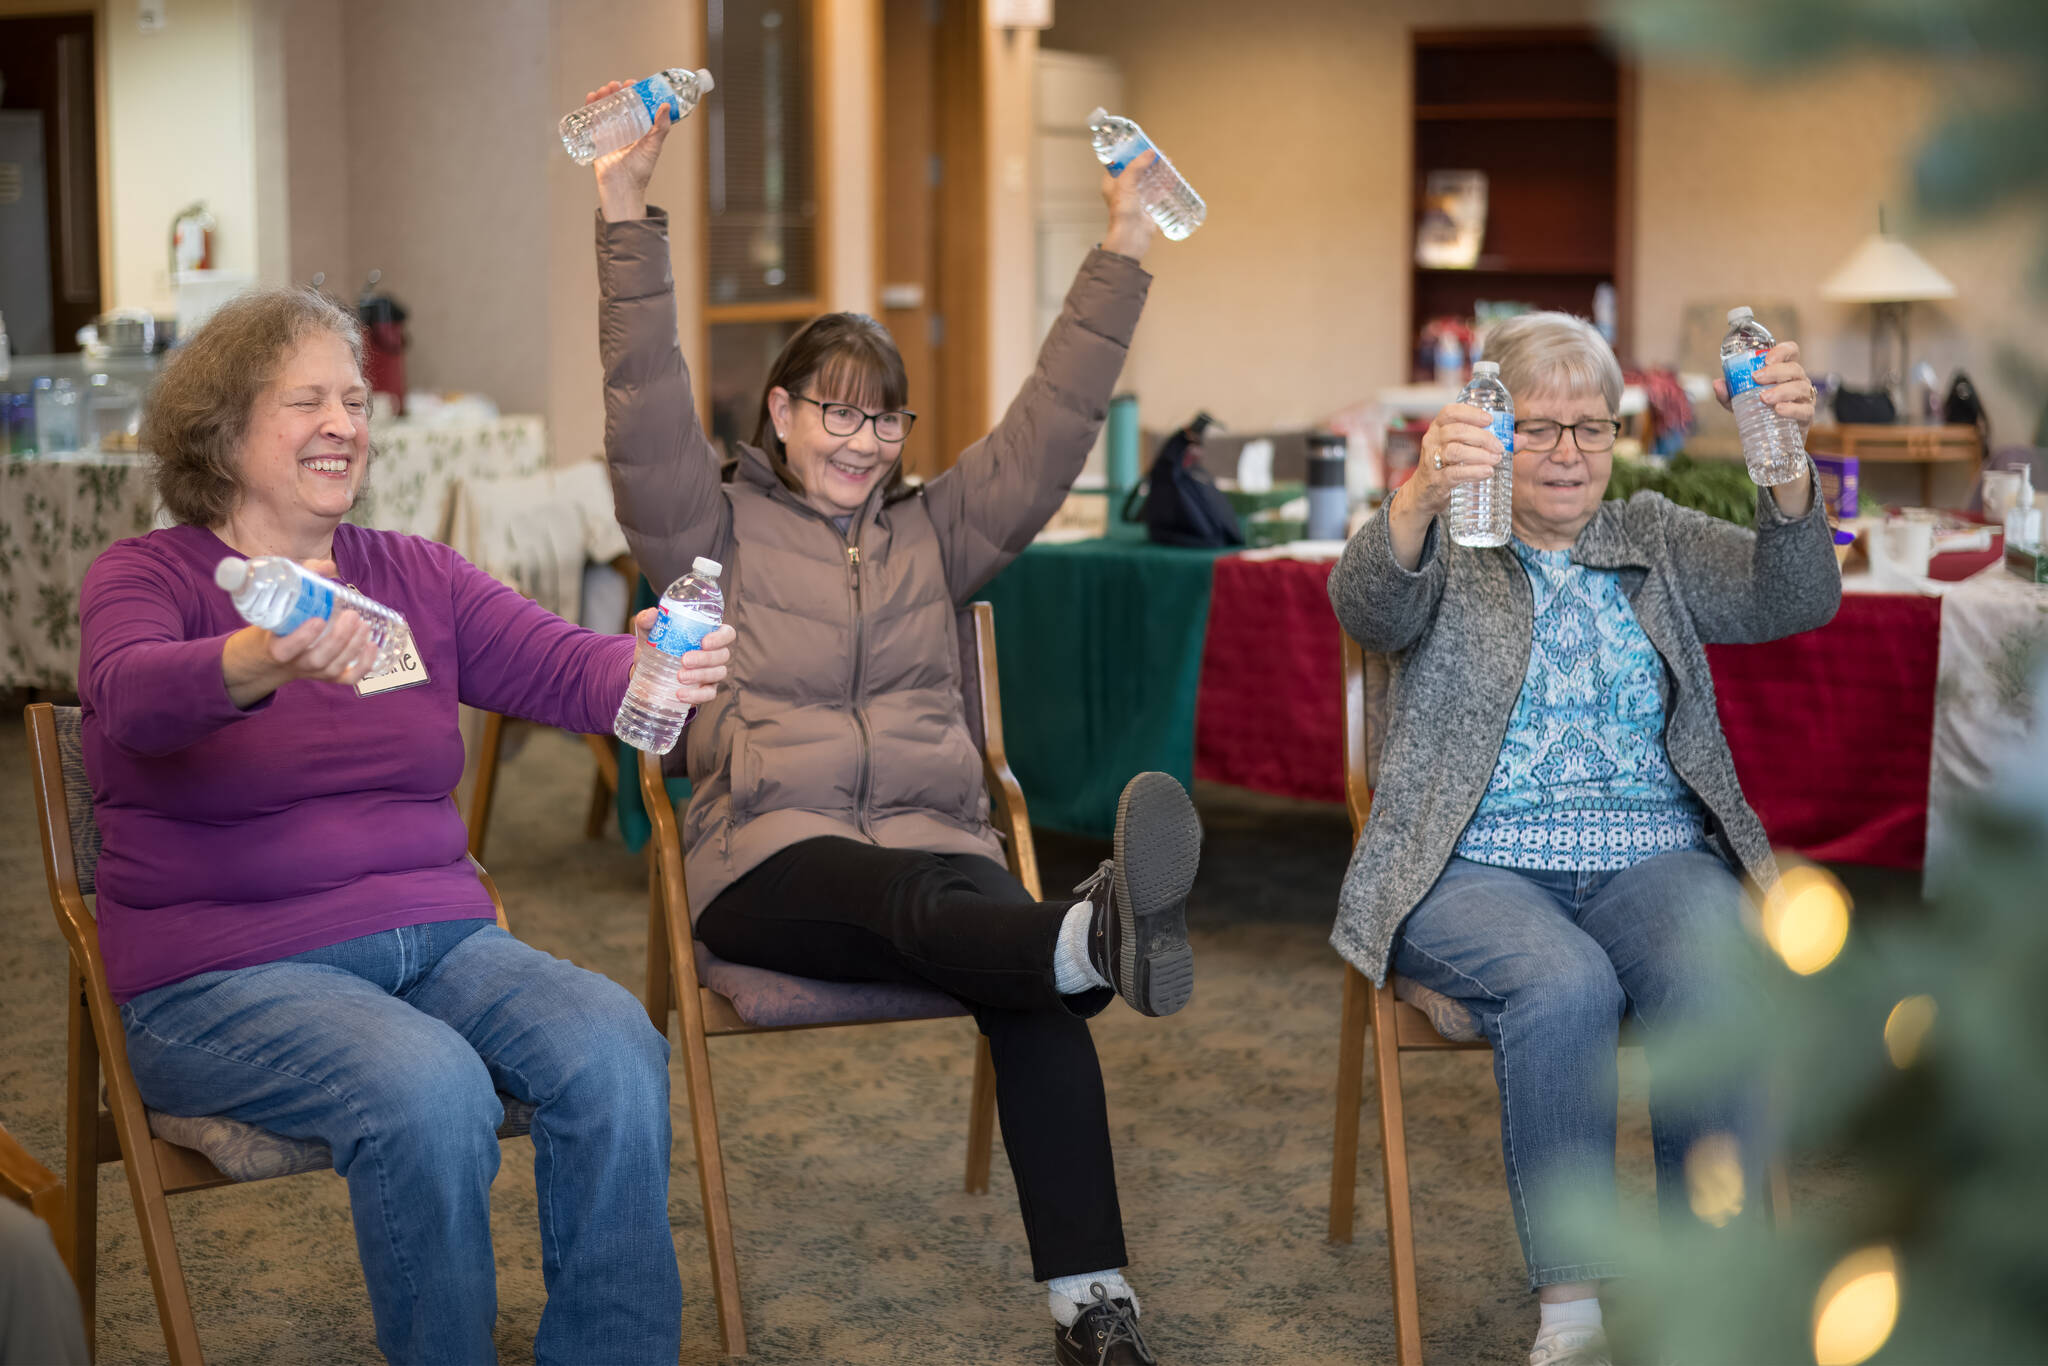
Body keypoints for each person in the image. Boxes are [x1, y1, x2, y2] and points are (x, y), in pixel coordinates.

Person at [586, 81, 1200, 1366]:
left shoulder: (938, 533)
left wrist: (1128, 242)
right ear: (779, 411)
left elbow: (1052, 423)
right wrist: (622, 212)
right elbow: (643, 406)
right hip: (768, 862)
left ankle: (1092, 1306)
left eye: (884, 414)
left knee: (1022, 969)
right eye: (835, 409)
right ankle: (1084, 937)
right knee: (964, 917)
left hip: (939, 848)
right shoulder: (708, 529)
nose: (861, 440)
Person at [78, 288, 736, 1365]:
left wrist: (652, 660)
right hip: (220, 974)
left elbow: (566, 667)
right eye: (306, 402)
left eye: (354, 399)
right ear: (223, 428)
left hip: (434, 941)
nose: (344, 422)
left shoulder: (413, 575)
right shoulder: (146, 577)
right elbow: (132, 696)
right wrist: (267, 649)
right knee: (428, 1088)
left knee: (615, 1044)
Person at [1327, 312, 1840, 1366]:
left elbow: (1796, 597)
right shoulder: (1459, 538)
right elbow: (1367, 604)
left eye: (1590, 428)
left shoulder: (1651, 535)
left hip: (1653, 855)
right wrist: (1419, 494)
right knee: (1564, 986)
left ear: (1617, 436)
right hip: (1471, 863)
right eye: (1540, 427)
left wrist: (1784, 465)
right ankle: (1572, 1316)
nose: (1566, 453)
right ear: (1494, 428)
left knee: (1719, 967)